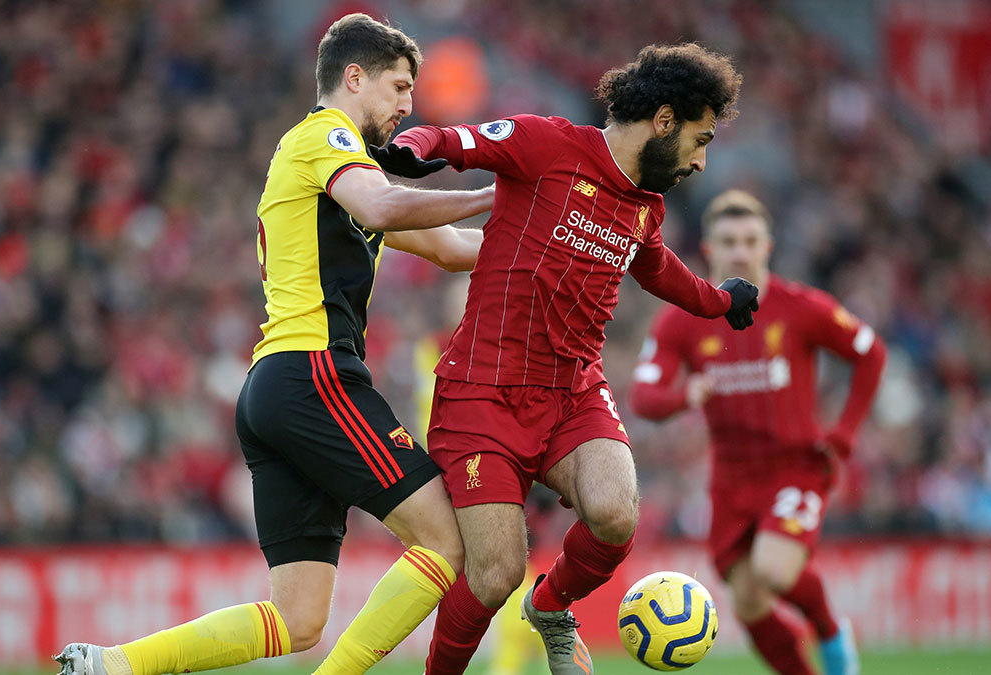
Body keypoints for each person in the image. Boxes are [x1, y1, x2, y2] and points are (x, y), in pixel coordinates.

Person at [55, 13, 493, 675]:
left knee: (297, 620)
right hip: (316, 373)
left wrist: (554, 239)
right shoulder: (325, 136)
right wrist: (493, 191)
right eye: (400, 85)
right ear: (354, 77)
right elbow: (384, 208)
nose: (410, 104)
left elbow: (456, 249)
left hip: (278, 389)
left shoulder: (346, 171)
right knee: (446, 538)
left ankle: (113, 664)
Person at [372, 43, 759, 674]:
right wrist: (413, 151)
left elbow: (658, 270)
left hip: (573, 392)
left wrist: (719, 302)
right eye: (700, 138)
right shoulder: (545, 144)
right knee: (495, 574)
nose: (701, 160)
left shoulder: (644, 206)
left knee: (614, 514)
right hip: (482, 395)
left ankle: (550, 606)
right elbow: (453, 137)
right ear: (664, 121)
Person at [629, 190, 886, 675]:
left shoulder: (802, 308)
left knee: (772, 568)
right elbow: (644, 397)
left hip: (795, 466)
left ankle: (831, 631)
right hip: (730, 479)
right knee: (747, 603)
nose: (740, 251)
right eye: (729, 241)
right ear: (708, 249)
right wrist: (686, 395)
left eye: (750, 240)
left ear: (768, 246)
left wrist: (845, 434)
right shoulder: (682, 320)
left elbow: (870, 354)